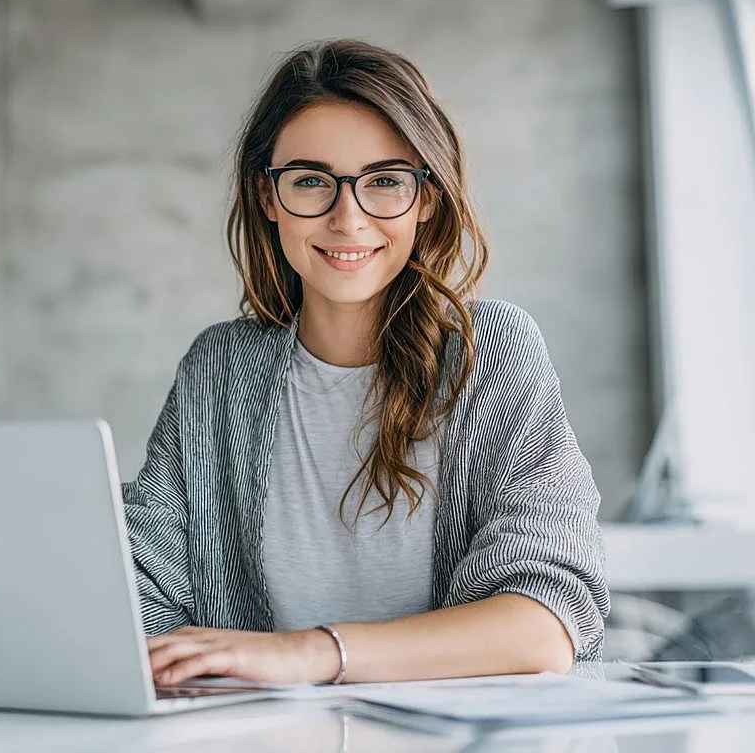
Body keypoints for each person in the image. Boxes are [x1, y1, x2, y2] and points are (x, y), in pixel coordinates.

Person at [122, 39, 610, 687]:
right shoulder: (219, 372)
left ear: (427, 198)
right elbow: (139, 597)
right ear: (268, 197)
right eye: (310, 181)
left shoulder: (492, 350)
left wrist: (309, 655)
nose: (347, 218)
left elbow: (543, 625)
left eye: (385, 181)